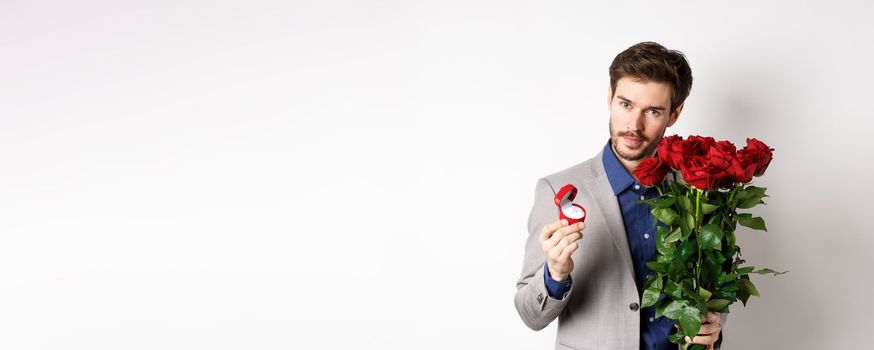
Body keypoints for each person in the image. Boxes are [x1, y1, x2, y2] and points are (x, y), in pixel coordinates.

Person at [514, 42, 726, 350]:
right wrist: (555, 273)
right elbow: (530, 315)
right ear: (610, 99)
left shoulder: (696, 191)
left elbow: (714, 289)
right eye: (626, 105)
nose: (634, 125)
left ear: (675, 114)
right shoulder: (557, 190)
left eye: (653, 111)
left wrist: (714, 327)